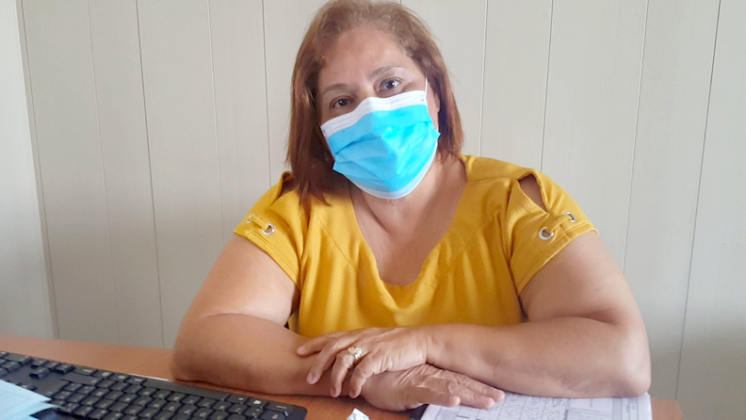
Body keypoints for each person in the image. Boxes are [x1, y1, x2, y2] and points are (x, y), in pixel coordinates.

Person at [172, 0, 651, 412]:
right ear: (319, 130)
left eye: (390, 85)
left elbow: (624, 358)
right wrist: (367, 376)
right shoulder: (299, 210)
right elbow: (202, 340)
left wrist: (426, 344)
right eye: (342, 102)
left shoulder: (515, 203)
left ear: (435, 95)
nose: (372, 113)